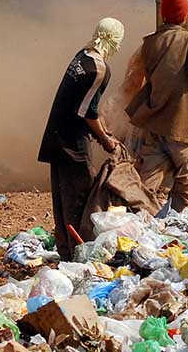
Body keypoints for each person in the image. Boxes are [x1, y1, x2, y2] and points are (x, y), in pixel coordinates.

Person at [38, 17, 124, 261]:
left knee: (62, 200)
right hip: (72, 144)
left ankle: (66, 252)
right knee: (80, 200)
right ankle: (82, 256)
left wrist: (105, 133)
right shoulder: (98, 69)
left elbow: (86, 107)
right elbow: (87, 113)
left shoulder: (82, 56)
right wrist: (106, 140)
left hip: (56, 136)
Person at [127, 0, 188, 214]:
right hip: (179, 118)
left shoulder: (149, 43)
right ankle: (178, 214)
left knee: (150, 172)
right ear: (183, 16)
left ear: (163, 15)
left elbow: (139, 77)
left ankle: (140, 213)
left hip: (153, 118)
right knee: (185, 167)